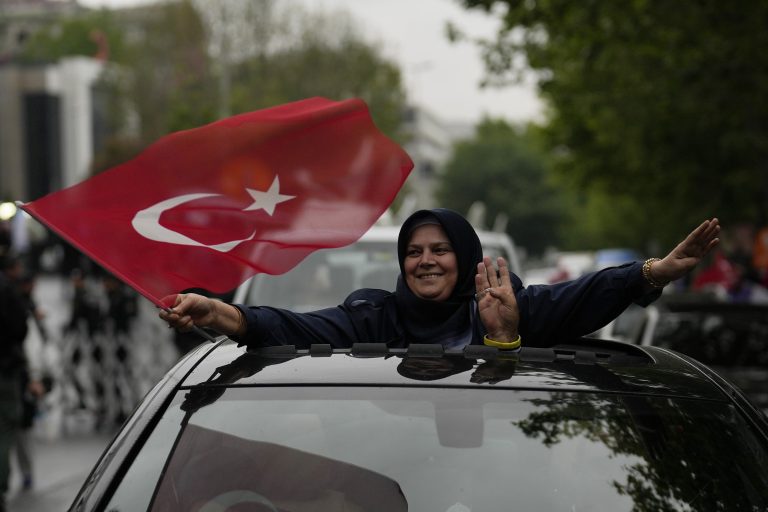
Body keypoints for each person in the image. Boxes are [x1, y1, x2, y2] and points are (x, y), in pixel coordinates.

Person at [160, 209, 720, 350]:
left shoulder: (507, 306)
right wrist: (222, 314)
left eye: (441, 251)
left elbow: (585, 296)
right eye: (414, 252)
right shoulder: (374, 317)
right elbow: (295, 328)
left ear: (469, 257)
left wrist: (651, 273)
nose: (425, 261)